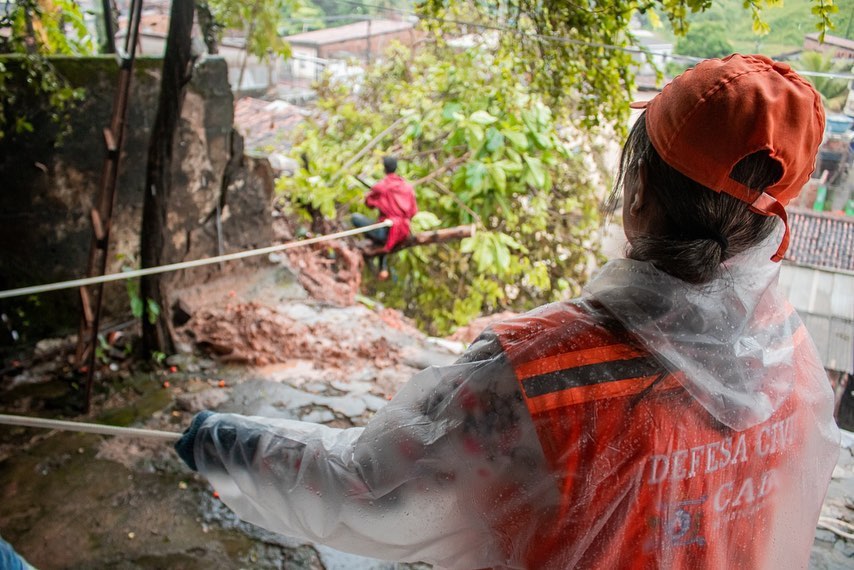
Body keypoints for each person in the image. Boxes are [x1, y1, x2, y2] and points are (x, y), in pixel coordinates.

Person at [175, 55, 840, 568]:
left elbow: (364, 488)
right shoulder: (791, 356)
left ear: (638, 191)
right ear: (769, 226)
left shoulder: (532, 376)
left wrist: (228, 444)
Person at [351, 156, 418, 280]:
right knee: (381, 226)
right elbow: (413, 211)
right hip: (403, 232)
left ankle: (380, 265)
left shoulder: (382, 186)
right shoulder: (408, 187)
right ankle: (382, 268)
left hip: (387, 232)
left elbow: (369, 203)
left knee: (355, 218)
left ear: (384, 169)